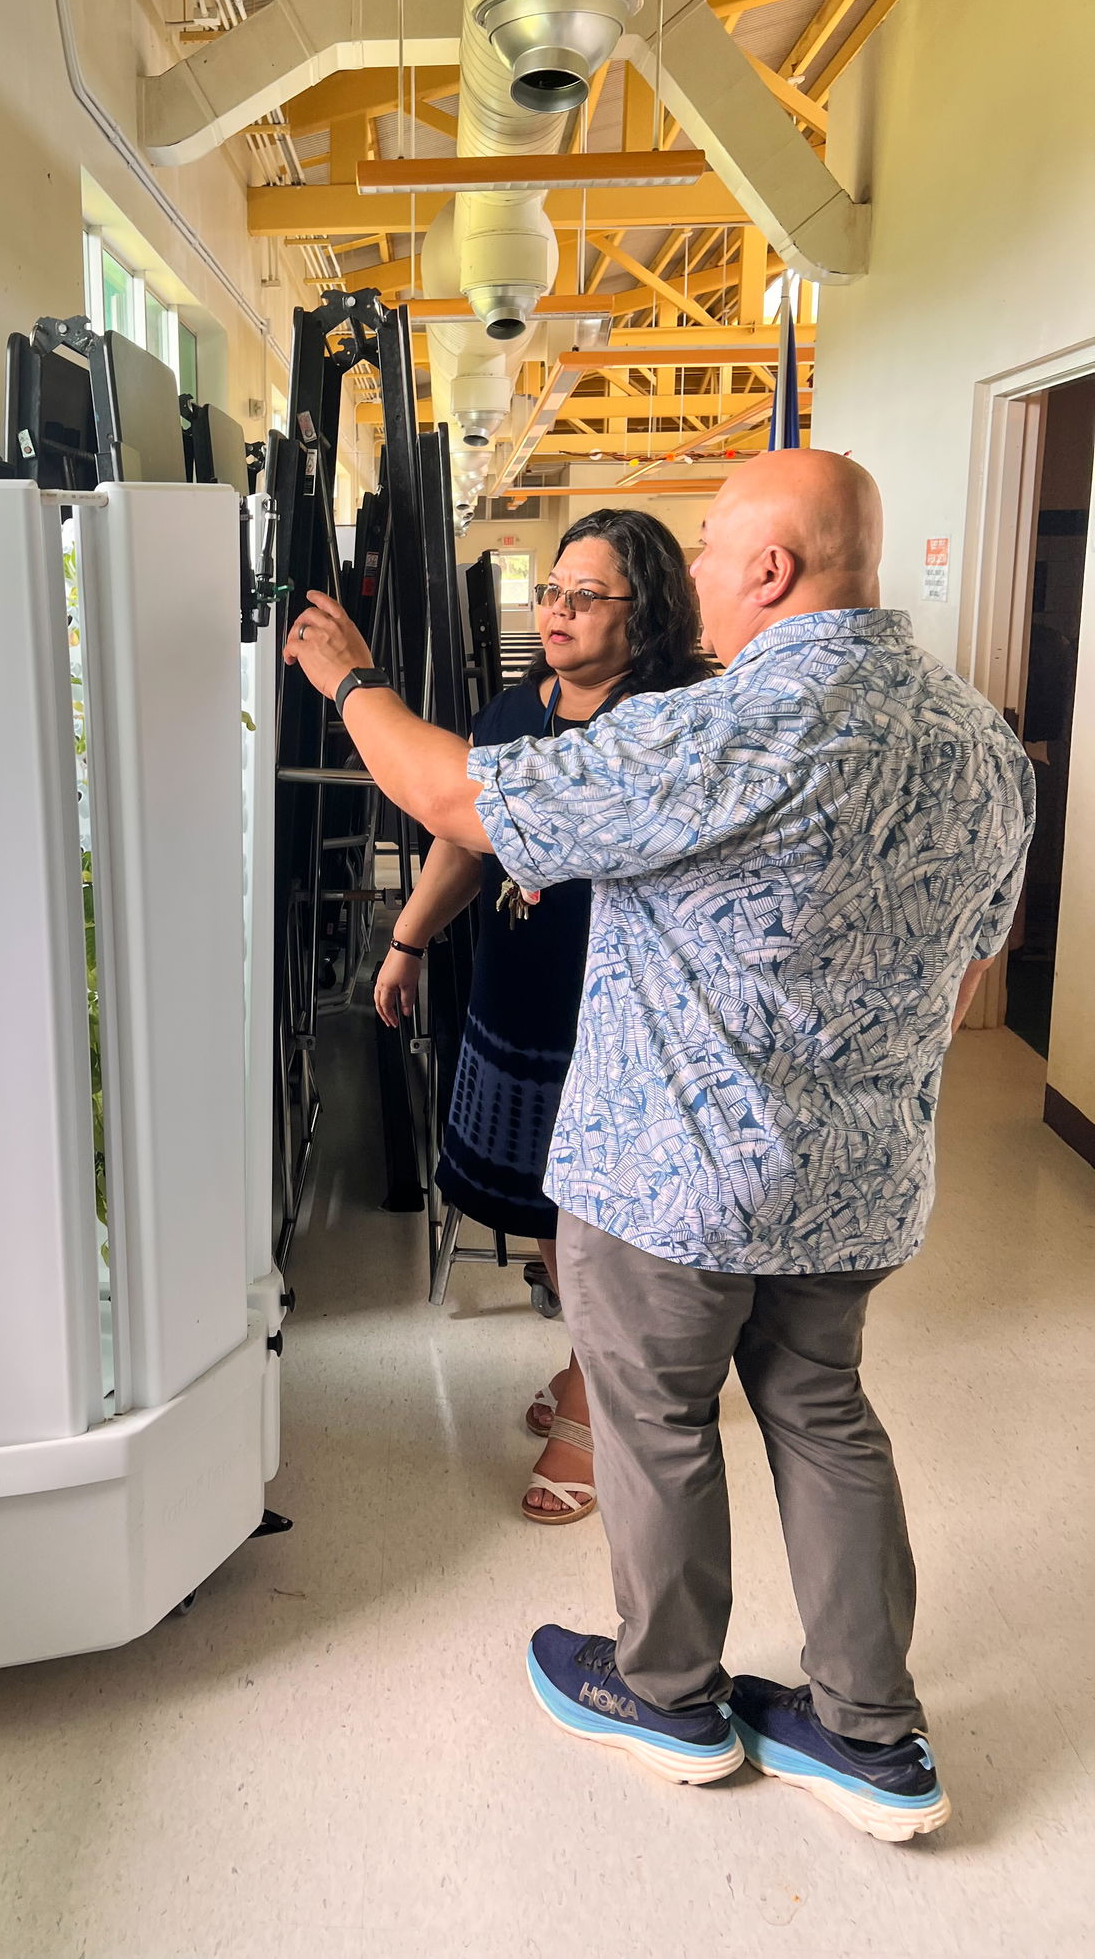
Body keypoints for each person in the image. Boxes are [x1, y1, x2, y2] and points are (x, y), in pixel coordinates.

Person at [284, 449, 1033, 1844]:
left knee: (657, 1420)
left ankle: (669, 1695)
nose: (691, 572)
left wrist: (350, 680)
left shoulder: (729, 725)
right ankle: (872, 1735)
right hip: (856, 1182)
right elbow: (971, 967)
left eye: (706, 546)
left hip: (675, 1179)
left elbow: (457, 802)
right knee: (825, 1415)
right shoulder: (978, 742)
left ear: (770, 568)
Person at [373, 509, 709, 1525]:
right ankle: (586, 1363)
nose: (555, 611)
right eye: (550, 591)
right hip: (522, 994)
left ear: (645, 609)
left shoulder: (673, 722)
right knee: (550, 1212)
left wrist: (354, 686)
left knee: (602, 1225)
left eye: (584, 596)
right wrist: (408, 939)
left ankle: (598, 1407)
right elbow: (464, 836)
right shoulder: (517, 710)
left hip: (624, 1017)